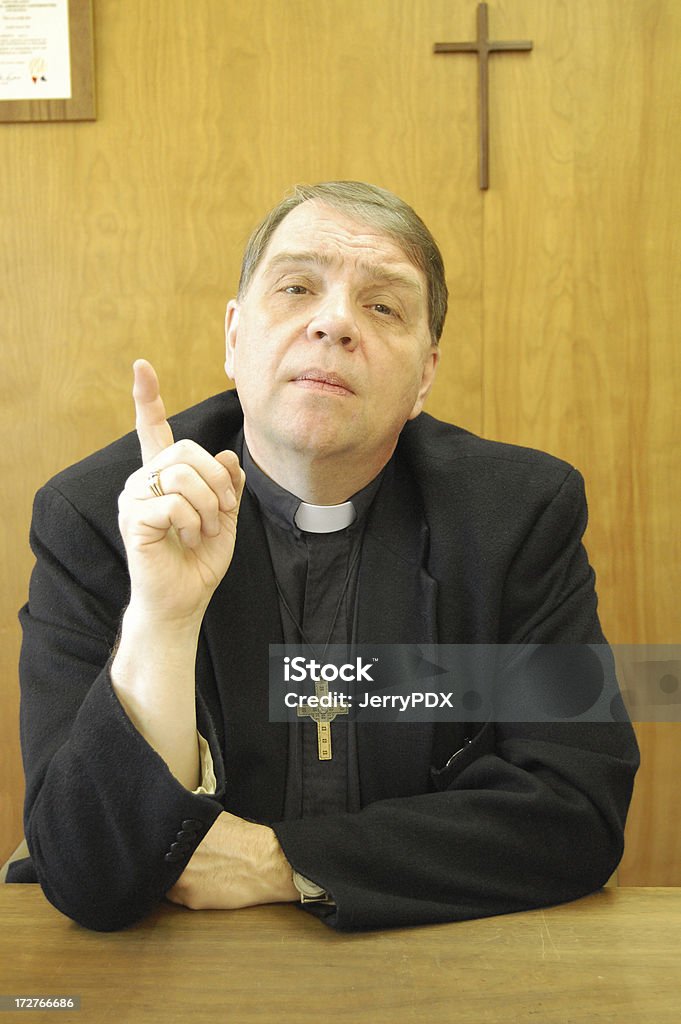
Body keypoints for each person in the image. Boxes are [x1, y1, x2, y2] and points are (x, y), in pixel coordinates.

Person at [11, 181, 639, 932]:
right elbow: (89, 875)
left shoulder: (513, 514)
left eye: (382, 306)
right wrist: (163, 618)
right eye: (297, 287)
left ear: (424, 377)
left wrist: (278, 858)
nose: (334, 322)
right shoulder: (102, 515)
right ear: (235, 337)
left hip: (428, 962)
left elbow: (575, 814)